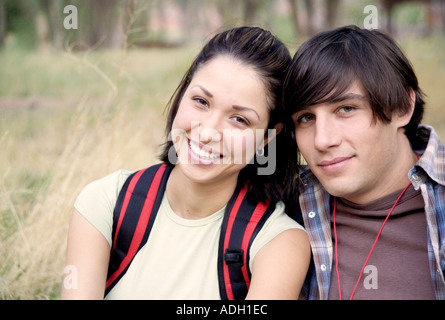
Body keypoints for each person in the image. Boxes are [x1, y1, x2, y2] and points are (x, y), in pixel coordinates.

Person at [61, 26, 310, 300]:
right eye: (201, 101)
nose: (207, 132)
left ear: (267, 137)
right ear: (181, 96)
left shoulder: (279, 244)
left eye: (239, 119)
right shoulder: (106, 202)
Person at [283, 25, 445, 300]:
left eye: (346, 109)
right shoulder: (284, 205)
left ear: (402, 107)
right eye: (306, 118)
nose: (323, 140)